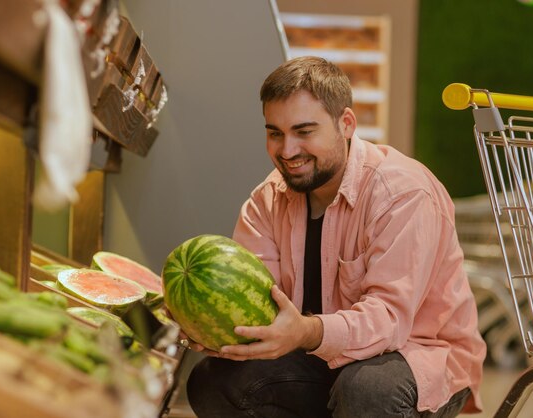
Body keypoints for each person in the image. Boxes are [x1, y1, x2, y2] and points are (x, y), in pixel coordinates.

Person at [186, 56, 486, 417]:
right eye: (275, 133)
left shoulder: (402, 193)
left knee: (366, 390)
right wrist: (207, 323)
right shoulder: (266, 201)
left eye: (304, 131)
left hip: (419, 355)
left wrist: (307, 332)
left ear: (345, 124)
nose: (287, 150)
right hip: (320, 360)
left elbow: (389, 319)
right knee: (213, 381)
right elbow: (255, 302)